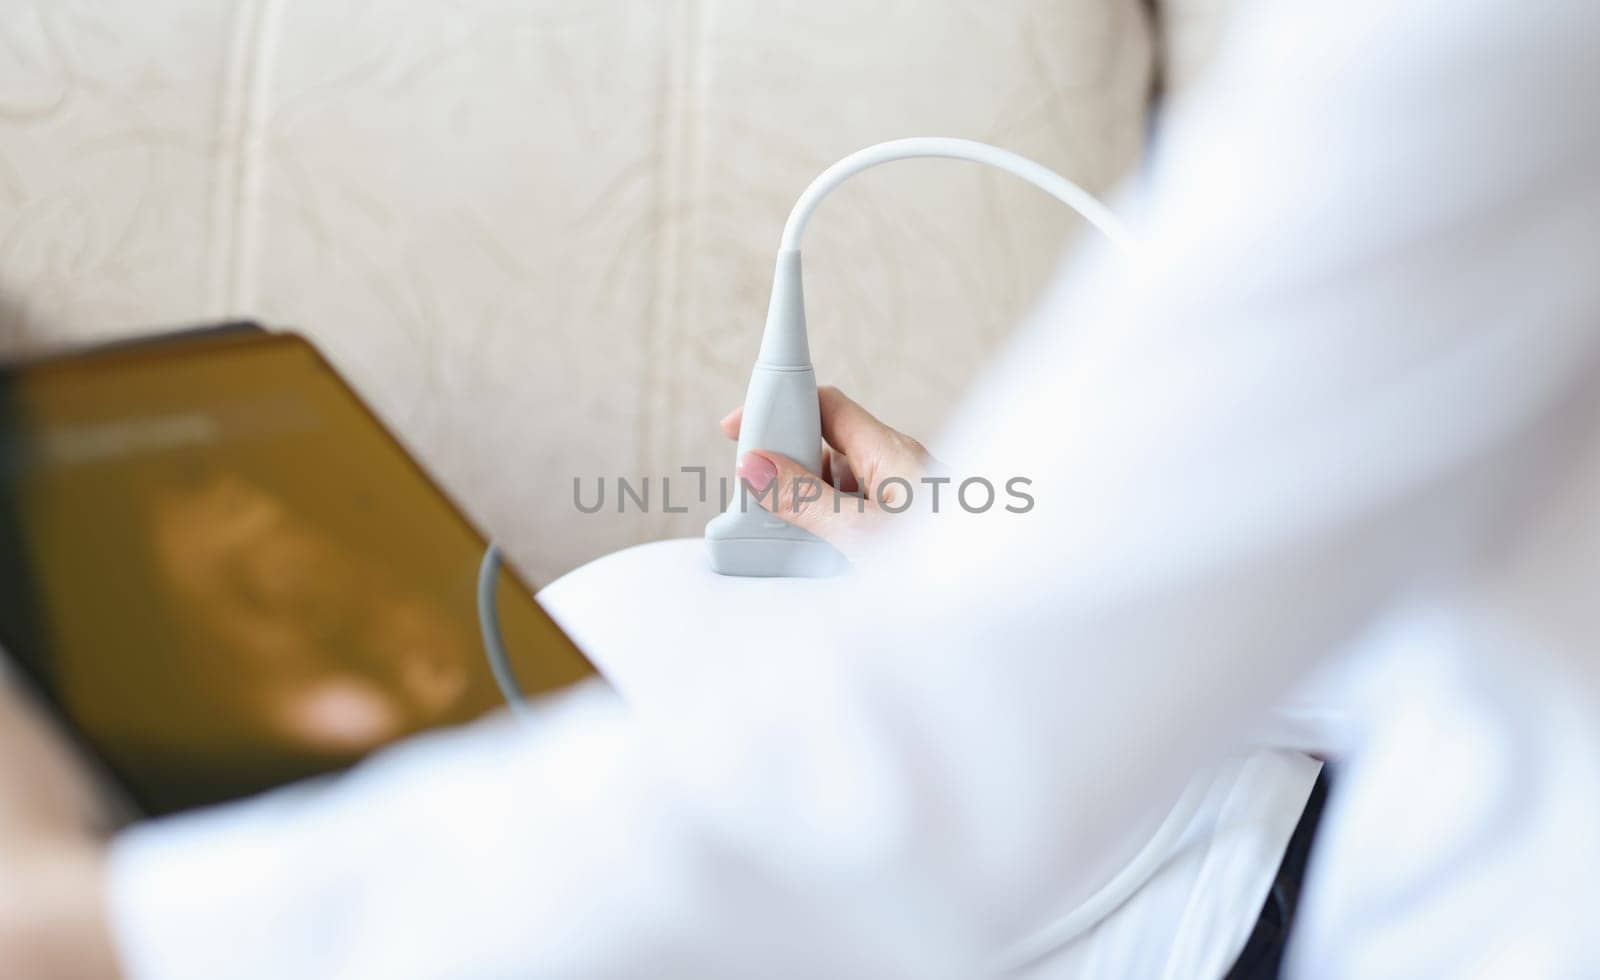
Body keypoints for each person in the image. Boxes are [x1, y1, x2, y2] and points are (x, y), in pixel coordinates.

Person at [5, 0, 1600, 975]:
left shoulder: (1514, 48)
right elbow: (1483, 599)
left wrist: (122, 939)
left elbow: (916, 793)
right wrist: (992, 544)